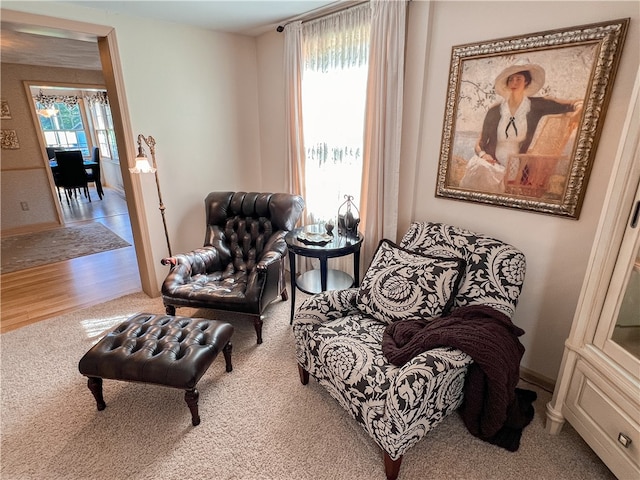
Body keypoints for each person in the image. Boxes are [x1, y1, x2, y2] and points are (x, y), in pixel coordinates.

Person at [459, 62, 582, 194]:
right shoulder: (495, 110)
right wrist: (484, 156)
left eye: (518, 79)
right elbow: (480, 142)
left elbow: (572, 103)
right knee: (479, 168)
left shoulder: (535, 106)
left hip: (516, 164)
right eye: (511, 79)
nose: (514, 83)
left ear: (526, 82)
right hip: (491, 162)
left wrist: (579, 109)